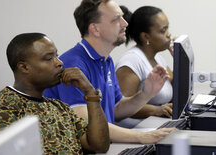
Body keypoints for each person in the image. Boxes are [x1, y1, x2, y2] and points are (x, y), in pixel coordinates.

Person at [44, 0, 175, 144]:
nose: (125, 23)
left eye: (123, 17)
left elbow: (116, 109)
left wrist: (146, 94)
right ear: (95, 29)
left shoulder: (106, 60)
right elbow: (86, 124)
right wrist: (140, 136)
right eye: (116, 19)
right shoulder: (73, 65)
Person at [0, 33, 110, 154]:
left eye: (56, 55)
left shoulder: (59, 107)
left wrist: (90, 93)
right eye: (48, 58)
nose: (60, 62)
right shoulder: (0, 110)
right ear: (24, 67)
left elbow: (99, 146)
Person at [115, 6, 175, 127]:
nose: (169, 34)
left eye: (167, 28)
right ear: (145, 37)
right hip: (133, 132)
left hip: (156, 126)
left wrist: (179, 57)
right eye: (163, 30)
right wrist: (156, 110)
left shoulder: (157, 58)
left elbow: (176, 90)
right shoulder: (132, 61)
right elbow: (120, 108)